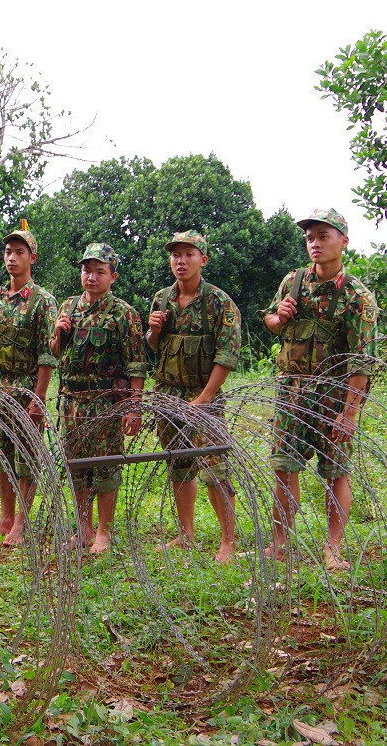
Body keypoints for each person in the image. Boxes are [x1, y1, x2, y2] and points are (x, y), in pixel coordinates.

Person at [260, 209, 377, 571]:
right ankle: (280, 544)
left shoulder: (357, 297)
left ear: (343, 241)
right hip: (291, 390)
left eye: (324, 236)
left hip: (332, 394)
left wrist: (350, 413)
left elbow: (361, 361)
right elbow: (270, 322)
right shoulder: (293, 281)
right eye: (310, 237)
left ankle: (333, 549)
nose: (315, 243)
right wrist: (280, 315)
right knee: (284, 467)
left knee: (336, 472)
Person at [146, 231, 241, 563]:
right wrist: (154, 331)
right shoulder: (162, 298)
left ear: (203, 259)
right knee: (179, 466)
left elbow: (226, 355)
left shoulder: (218, 302)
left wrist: (204, 398)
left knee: (214, 468)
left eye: (188, 254)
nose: (180, 261)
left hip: (203, 396)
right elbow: (155, 348)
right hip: (168, 396)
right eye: (175, 255)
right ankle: (185, 536)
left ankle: (228, 541)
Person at [52, 243, 146, 554]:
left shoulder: (123, 313)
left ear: (112, 276)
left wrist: (134, 407)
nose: (92, 277)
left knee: (106, 467)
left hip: (106, 400)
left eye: (100, 272)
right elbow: (54, 353)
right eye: (87, 270)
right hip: (72, 401)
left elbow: (136, 363)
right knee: (77, 466)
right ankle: (83, 528)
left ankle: (104, 531)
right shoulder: (67, 307)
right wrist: (58, 334)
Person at [0, 230, 58, 547]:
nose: (12, 257)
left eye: (19, 252)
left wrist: (38, 399)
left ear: (32, 258)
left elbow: (47, 355)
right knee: (2, 457)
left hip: (25, 388)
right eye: (8, 251)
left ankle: (21, 524)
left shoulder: (42, 301)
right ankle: (6, 518)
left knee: (25, 459)